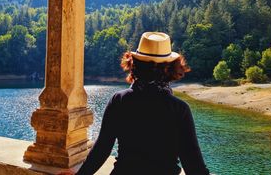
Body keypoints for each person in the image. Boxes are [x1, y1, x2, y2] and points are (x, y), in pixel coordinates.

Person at [76, 32, 210, 175]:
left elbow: (101, 150)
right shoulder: (179, 109)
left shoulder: (119, 100)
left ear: (134, 64)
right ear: (171, 68)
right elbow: (194, 167)